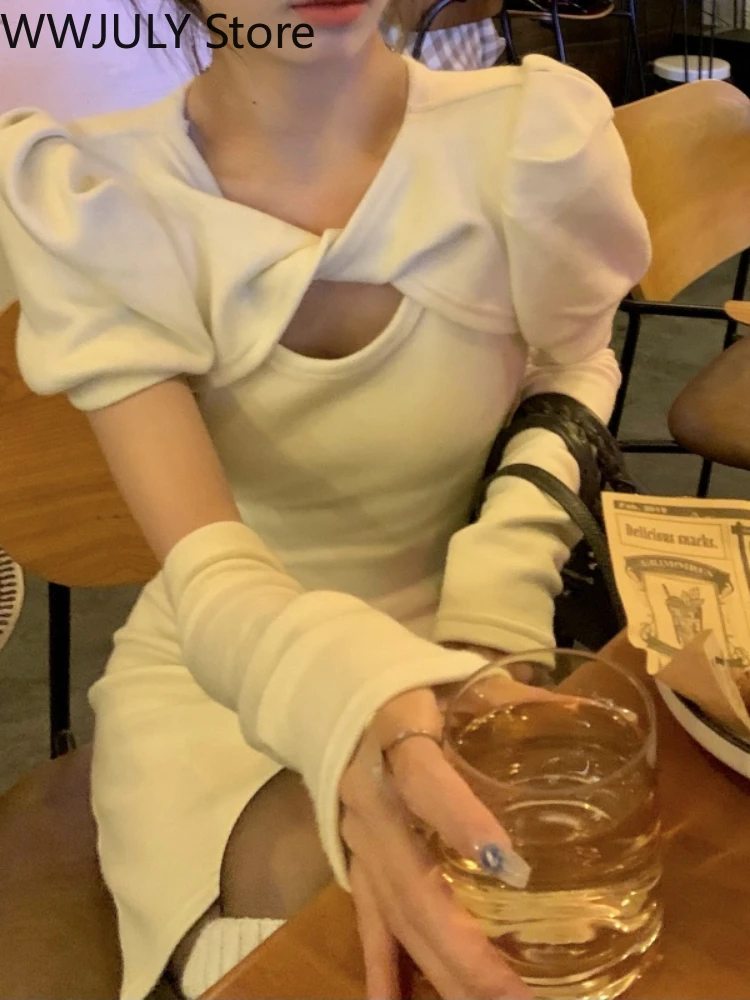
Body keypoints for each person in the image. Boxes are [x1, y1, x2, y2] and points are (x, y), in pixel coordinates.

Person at [0, 0, 651, 994]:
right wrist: (357, 704)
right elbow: (209, 569)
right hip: (232, 675)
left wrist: (496, 604)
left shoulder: (531, 140)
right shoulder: (95, 193)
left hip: (499, 645)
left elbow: (571, 365)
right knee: (351, 946)